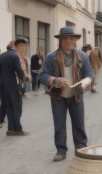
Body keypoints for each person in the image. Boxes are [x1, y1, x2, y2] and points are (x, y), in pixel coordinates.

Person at [39, 27, 94, 161]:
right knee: (59, 124)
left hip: (76, 95)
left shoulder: (83, 56)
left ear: (75, 41)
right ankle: (61, 150)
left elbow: (90, 75)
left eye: (72, 38)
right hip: (58, 96)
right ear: (60, 40)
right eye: (66, 38)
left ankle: (81, 147)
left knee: (79, 123)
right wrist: (54, 80)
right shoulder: (51, 57)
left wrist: (85, 82)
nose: (69, 41)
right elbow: (42, 76)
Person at [0, 38, 30, 136]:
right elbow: (18, 71)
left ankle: (10, 130)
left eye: (24, 46)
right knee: (17, 108)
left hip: (4, 86)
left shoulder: (2, 56)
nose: (23, 48)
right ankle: (18, 129)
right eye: (22, 46)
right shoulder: (15, 56)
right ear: (17, 46)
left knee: (9, 108)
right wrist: (25, 79)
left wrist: (0, 86)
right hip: (14, 85)